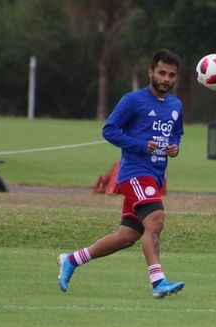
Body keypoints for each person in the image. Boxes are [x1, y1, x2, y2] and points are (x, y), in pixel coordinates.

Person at [58, 49, 185, 299]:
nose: (166, 79)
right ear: (150, 72)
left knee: (127, 236)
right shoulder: (133, 100)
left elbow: (176, 133)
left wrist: (175, 146)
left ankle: (72, 260)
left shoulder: (175, 105)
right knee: (156, 220)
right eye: (161, 72)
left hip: (155, 176)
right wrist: (139, 145)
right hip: (135, 173)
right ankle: (158, 282)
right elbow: (109, 130)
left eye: (171, 75)